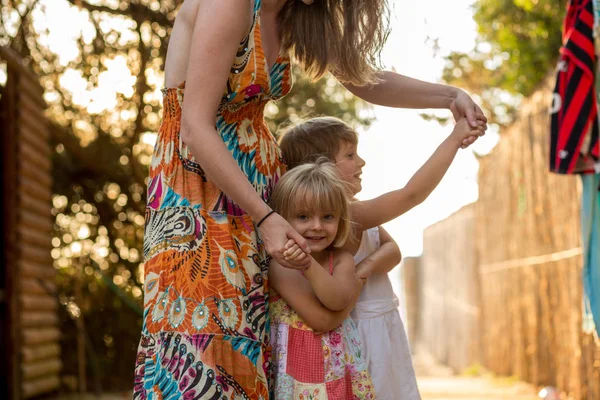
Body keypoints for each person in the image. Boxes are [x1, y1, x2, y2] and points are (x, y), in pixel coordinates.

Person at [134, 0, 487, 398]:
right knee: (202, 347)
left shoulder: (297, 13)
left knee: (254, 346)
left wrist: (449, 96)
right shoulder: (231, 4)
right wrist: (266, 218)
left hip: (262, 191)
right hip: (199, 193)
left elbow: (362, 77)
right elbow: (194, 127)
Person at [278, 115, 485, 398]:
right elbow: (411, 194)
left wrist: (363, 269)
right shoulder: (348, 217)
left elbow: (392, 250)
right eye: (350, 155)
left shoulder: (351, 212)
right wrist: (454, 139)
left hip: (378, 323)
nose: (361, 162)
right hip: (361, 330)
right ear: (321, 165)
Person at [268, 160, 376, 399]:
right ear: (282, 219)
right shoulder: (280, 265)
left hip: (338, 370)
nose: (316, 226)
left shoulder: (340, 260)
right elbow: (320, 320)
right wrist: (355, 285)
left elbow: (336, 300)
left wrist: (308, 266)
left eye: (328, 216)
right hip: (294, 372)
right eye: (303, 216)